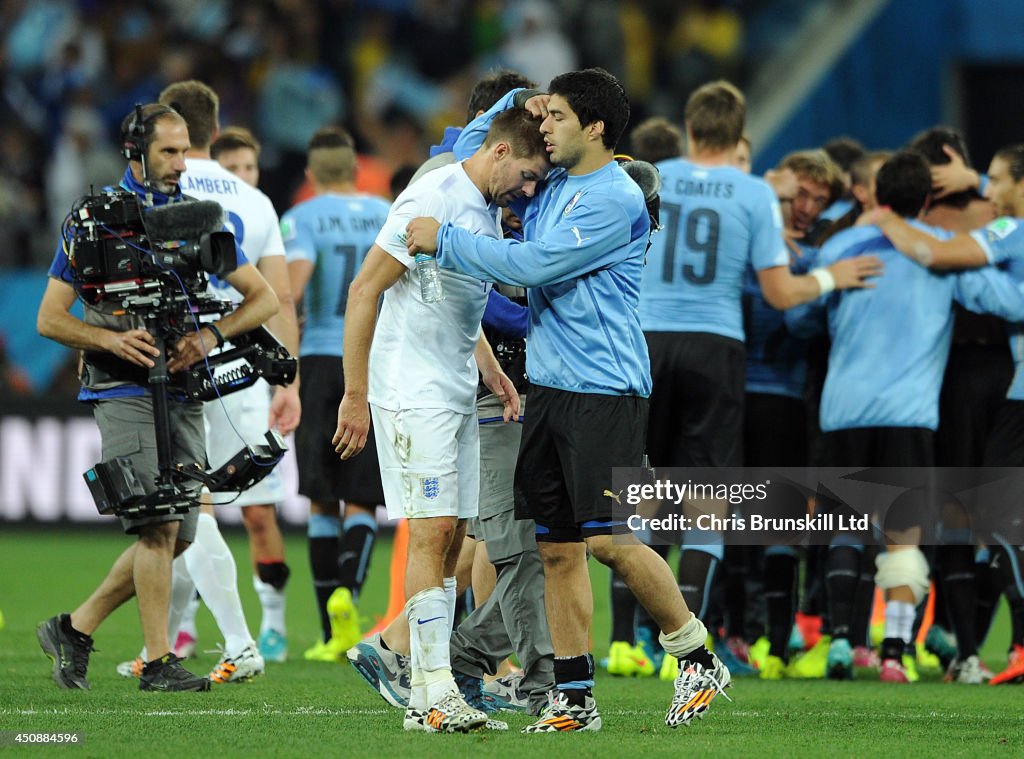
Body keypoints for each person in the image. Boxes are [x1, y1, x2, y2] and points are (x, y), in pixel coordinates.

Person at [405, 67, 729, 733]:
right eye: (542, 117)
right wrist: (510, 103)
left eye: (555, 117)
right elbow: (477, 144)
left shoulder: (613, 197)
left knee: (609, 540)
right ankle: (573, 697)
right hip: (551, 391)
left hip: (605, 390)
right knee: (557, 547)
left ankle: (695, 653)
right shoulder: (553, 181)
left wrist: (448, 240)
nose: (541, 128)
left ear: (597, 127)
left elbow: (534, 266)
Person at [36, 103, 278, 692]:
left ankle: (76, 627)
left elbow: (263, 298)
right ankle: (156, 660)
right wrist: (108, 337)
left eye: (185, 150)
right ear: (135, 153)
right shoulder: (95, 220)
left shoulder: (195, 218)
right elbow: (49, 318)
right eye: (168, 151)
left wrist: (208, 336)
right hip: (122, 386)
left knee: (178, 532)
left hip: (185, 386)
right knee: (156, 522)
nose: (180, 162)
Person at [333, 107, 547, 733]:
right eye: (529, 174)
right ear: (501, 151)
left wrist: (490, 368)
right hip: (410, 389)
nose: (529, 190)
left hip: (452, 387)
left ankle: (435, 684)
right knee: (431, 534)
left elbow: (450, 299)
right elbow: (364, 289)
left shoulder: (480, 209)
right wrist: (354, 393)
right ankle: (429, 694)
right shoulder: (435, 194)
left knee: (454, 535)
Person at [787, 150, 1024, 684]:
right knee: (904, 538)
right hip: (909, 416)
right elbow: (1002, 301)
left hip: (842, 410)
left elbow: (801, 316)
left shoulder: (843, 246)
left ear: (878, 194)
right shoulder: (936, 255)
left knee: (846, 528)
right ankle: (894, 652)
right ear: (925, 200)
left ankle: (843, 643)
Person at [155, 80, 300, 677]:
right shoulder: (254, 198)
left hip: (178, 362)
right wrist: (286, 380)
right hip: (244, 369)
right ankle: (166, 645)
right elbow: (280, 296)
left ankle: (230, 642)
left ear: (176, 133)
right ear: (216, 131)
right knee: (205, 509)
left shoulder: (165, 188)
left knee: (188, 508)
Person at [282, 126, 391, 662]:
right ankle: (351, 590)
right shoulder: (387, 211)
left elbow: (294, 289)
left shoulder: (300, 219)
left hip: (321, 359)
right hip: (374, 360)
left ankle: (331, 632)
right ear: (354, 169)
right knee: (365, 495)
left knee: (322, 495)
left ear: (310, 174)